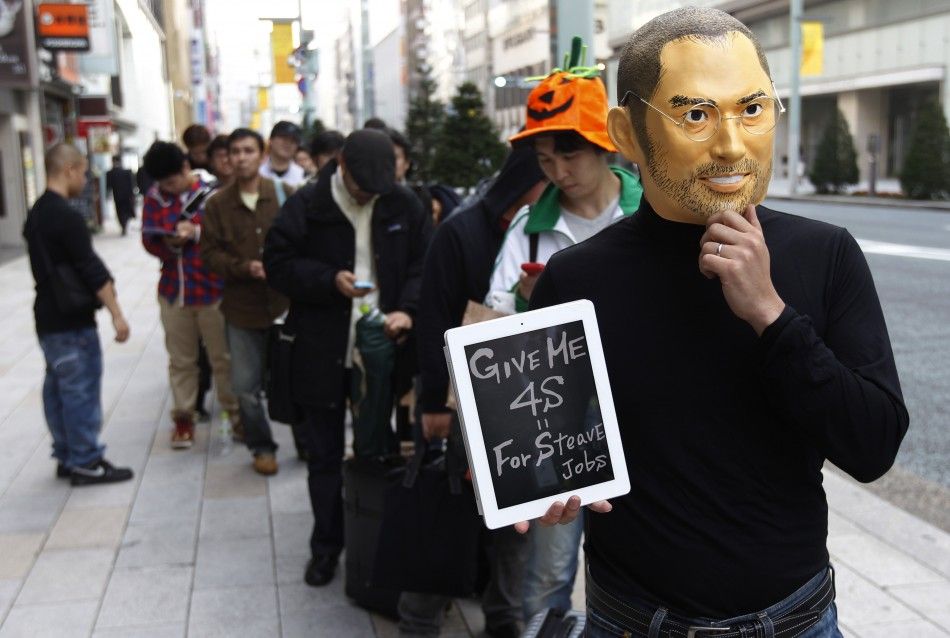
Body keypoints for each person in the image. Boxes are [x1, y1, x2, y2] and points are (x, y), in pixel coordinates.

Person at [526, 8, 909, 636]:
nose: (732, 143)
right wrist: (549, 485)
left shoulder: (825, 253)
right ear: (626, 132)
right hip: (630, 620)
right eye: (696, 115)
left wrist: (771, 314)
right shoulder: (577, 278)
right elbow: (547, 445)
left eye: (753, 109)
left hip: (795, 619)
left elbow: (872, 448)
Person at [482, 57, 643, 621]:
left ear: (606, 144)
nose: (558, 171)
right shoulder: (528, 229)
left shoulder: (653, 214)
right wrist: (530, 302)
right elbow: (493, 325)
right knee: (549, 572)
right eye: (545, 159)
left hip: (650, 418)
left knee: (649, 569)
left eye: (568, 153)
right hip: (557, 423)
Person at [263, 128, 430, 588]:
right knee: (324, 455)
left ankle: (377, 538)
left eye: (378, 189)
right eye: (360, 188)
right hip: (322, 349)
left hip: (386, 347)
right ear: (340, 166)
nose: (368, 196)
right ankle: (326, 547)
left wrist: (407, 310)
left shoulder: (403, 204)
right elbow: (277, 264)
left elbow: (423, 264)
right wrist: (325, 279)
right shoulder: (307, 205)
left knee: (380, 450)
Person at [408, 144, 548, 638]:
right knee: (447, 516)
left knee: (515, 525)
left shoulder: (547, 233)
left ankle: (503, 619)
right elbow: (433, 321)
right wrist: (433, 404)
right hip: (461, 405)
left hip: (525, 408)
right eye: (546, 172)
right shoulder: (461, 232)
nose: (558, 186)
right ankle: (419, 619)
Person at [23, 143, 134, 486]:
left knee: (58, 387)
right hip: (71, 318)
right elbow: (90, 268)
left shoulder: (37, 212)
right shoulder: (66, 216)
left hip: (47, 315)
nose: (85, 179)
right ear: (69, 169)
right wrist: (117, 313)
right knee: (80, 388)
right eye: (83, 171)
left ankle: (68, 455)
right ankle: (87, 461)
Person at [200, 128, 292, 476]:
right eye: (234, 152)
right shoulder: (218, 205)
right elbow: (209, 255)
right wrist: (243, 267)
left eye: (248, 151)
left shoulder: (284, 194)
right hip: (241, 310)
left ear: (262, 154)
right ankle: (262, 446)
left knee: (292, 381)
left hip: (284, 306)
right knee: (245, 387)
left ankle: (307, 443)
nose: (240, 157)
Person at [141, 141, 240, 449]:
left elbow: (229, 237)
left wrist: (194, 233)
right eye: (162, 183)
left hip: (212, 290)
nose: (168, 188)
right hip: (174, 291)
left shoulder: (214, 194)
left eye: (172, 181)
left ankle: (235, 416)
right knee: (181, 360)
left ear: (185, 168)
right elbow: (149, 238)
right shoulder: (154, 198)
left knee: (223, 358)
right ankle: (184, 418)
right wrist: (169, 243)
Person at [260, 120, 307, 187]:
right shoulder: (256, 172)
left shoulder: (303, 176)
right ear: (271, 140)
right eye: (283, 138)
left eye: (293, 140)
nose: (288, 143)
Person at [105, 156, 136, 236]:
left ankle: (123, 225)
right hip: (127, 195)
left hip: (117, 195)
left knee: (120, 211)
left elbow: (108, 186)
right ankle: (124, 225)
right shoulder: (127, 172)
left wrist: (107, 195)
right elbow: (132, 184)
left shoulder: (110, 173)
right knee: (125, 210)